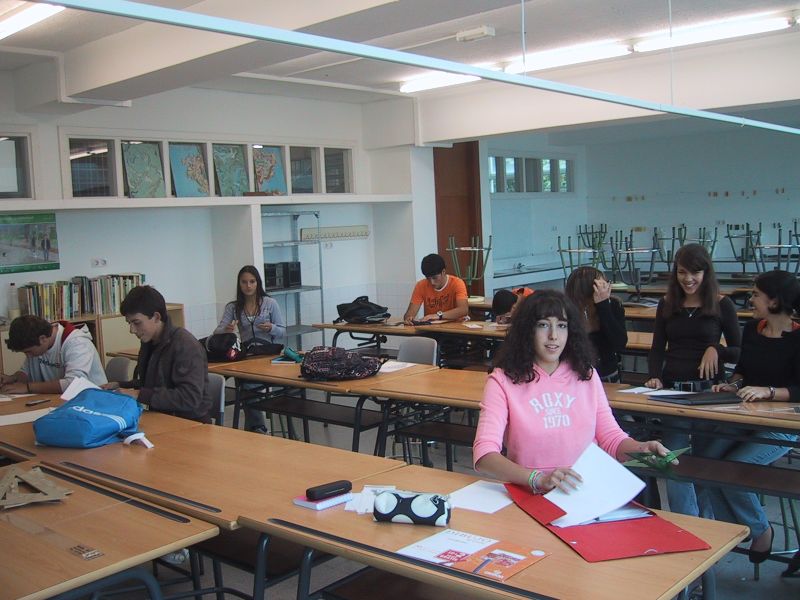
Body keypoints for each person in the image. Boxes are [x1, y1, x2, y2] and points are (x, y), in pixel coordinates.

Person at [473, 290, 673, 494]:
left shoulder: (586, 374)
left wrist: (641, 449)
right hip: (531, 495)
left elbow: (611, 438)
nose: (553, 335)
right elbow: (484, 454)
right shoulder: (502, 380)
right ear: (526, 330)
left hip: (584, 494)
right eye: (543, 325)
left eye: (561, 326)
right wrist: (538, 479)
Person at [700, 270, 800, 563]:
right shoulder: (753, 329)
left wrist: (768, 392)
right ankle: (736, 528)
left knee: (734, 467)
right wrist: (733, 384)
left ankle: (759, 528)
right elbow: (743, 371)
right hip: (744, 416)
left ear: (775, 301)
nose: (751, 299)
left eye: (756, 295)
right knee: (705, 464)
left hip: (782, 424)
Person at [644, 243, 741, 517]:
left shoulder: (722, 304)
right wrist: (654, 376)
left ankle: (707, 527)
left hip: (709, 394)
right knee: (674, 464)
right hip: (674, 393)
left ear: (706, 272)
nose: (688, 279)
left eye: (695, 273)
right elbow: (657, 348)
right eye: (682, 272)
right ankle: (686, 525)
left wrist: (716, 349)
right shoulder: (667, 304)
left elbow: (739, 350)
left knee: (703, 467)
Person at [117, 285, 212, 422]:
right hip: (163, 418)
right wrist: (122, 386)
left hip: (190, 423)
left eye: (137, 323)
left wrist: (138, 394)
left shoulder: (185, 345)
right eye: (129, 323)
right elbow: (155, 384)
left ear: (156, 317)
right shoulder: (149, 341)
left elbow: (190, 397)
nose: (132, 330)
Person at [215, 265, 286, 433]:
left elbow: (283, 331)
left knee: (249, 387)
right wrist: (227, 330)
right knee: (245, 383)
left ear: (257, 283)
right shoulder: (233, 307)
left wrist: (272, 328)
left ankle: (257, 427)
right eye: (244, 282)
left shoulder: (270, 303)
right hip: (246, 356)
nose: (248, 286)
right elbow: (217, 332)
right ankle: (255, 428)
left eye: (252, 282)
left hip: (268, 355)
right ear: (239, 284)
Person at [0, 315, 107, 394]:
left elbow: (73, 384)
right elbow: (26, 373)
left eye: (28, 351)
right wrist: (13, 378)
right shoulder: (37, 342)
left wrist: (28, 387)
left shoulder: (77, 343)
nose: (28, 356)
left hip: (93, 401)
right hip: (60, 401)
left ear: (42, 339)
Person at [565, 266, 627, 382]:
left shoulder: (613, 305)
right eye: (600, 284)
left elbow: (620, 343)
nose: (606, 287)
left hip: (607, 374)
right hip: (575, 376)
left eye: (606, 283)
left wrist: (603, 305)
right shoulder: (566, 311)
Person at [403, 254, 468, 324]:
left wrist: (438, 315)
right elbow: (409, 314)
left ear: (443, 272)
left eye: (435, 278)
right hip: (432, 327)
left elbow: (463, 310)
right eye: (428, 278)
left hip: (456, 326)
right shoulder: (420, 285)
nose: (432, 282)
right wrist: (409, 318)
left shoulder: (457, 283)